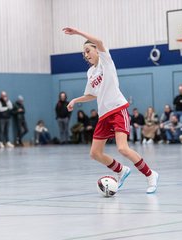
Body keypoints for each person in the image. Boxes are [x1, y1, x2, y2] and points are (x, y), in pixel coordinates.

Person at [63, 27, 158, 193]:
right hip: (104, 115)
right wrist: (76, 100)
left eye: (88, 51)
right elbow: (91, 94)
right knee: (95, 153)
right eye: (83, 53)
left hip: (117, 109)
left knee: (122, 148)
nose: (86, 55)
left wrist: (78, 33)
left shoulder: (106, 61)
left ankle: (150, 175)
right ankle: (122, 170)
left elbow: (99, 42)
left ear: (97, 51)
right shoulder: (90, 72)